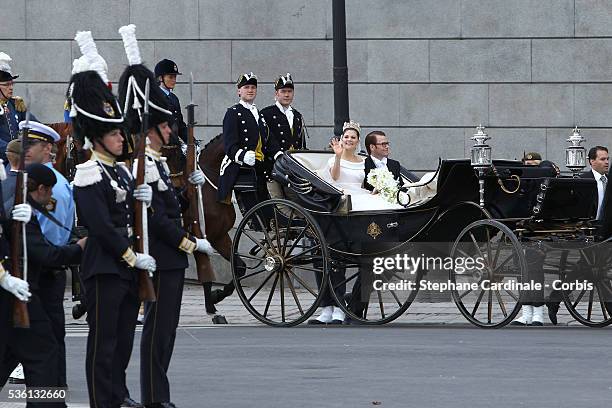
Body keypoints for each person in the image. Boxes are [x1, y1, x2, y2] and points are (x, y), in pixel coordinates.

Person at [118, 31, 213, 407]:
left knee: (165, 334)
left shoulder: (157, 164)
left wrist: (187, 190)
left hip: (171, 256)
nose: (171, 130)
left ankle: (158, 395)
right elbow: (156, 219)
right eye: (166, 126)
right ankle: (155, 398)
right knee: (157, 333)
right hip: (162, 253)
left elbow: (171, 206)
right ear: (152, 130)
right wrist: (191, 244)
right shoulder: (143, 164)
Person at [68, 28, 156, 406]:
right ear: (98, 136)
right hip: (105, 265)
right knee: (103, 342)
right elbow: (101, 225)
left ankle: (118, 393)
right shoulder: (88, 173)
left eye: (121, 132)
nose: (122, 138)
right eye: (114, 133)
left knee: (122, 339)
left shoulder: (120, 171)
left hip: (126, 264)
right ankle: (102, 399)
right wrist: (129, 255)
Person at [0, 163, 84, 408]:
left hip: (16, 292)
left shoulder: (19, 211)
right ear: (42, 189)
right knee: (44, 354)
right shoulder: (17, 213)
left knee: (11, 354)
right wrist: (78, 249)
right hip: (16, 293)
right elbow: (46, 255)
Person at [19, 121, 73, 387]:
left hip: (42, 274)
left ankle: (52, 395)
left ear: (49, 148)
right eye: (24, 143)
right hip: (23, 275)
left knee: (47, 346)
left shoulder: (52, 187)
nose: (25, 149)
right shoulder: (24, 179)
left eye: (33, 145)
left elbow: (49, 239)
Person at [217, 72, 270, 215]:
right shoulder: (233, 113)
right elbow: (229, 145)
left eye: (253, 87)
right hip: (240, 167)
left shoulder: (258, 113)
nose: (250, 90)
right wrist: (243, 155)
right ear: (239, 91)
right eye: (246, 87)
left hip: (259, 166)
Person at [260, 73, 305, 196]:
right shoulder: (266, 113)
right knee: (277, 201)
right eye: (283, 91)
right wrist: (278, 155)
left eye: (289, 91)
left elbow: (301, 143)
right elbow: (266, 140)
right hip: (273, 167)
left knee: (295, 200)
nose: (286, 94)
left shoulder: (297, 115)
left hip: (293, 169)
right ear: (276, 93)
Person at [0, 52, 36, 161]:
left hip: (16, 158)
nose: (11, 88)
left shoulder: (15, 103)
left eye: (12, 84)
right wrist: (13, 151)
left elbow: (34, 124)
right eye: (6, 85)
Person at [154, 58, 187, 145]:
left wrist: (191, 141)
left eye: (175, 77)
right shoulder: (154, 98)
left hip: (174, 146)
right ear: (161, 78)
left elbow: (180, 125)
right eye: (170, 77)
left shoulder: (174, 98)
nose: (174, 80)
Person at [581, 146, 608, 220]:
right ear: (592, 161)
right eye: (602, 159)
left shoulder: (609, 180)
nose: (607, 162)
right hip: (590, 225)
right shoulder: (583, 180)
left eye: (607, 159)